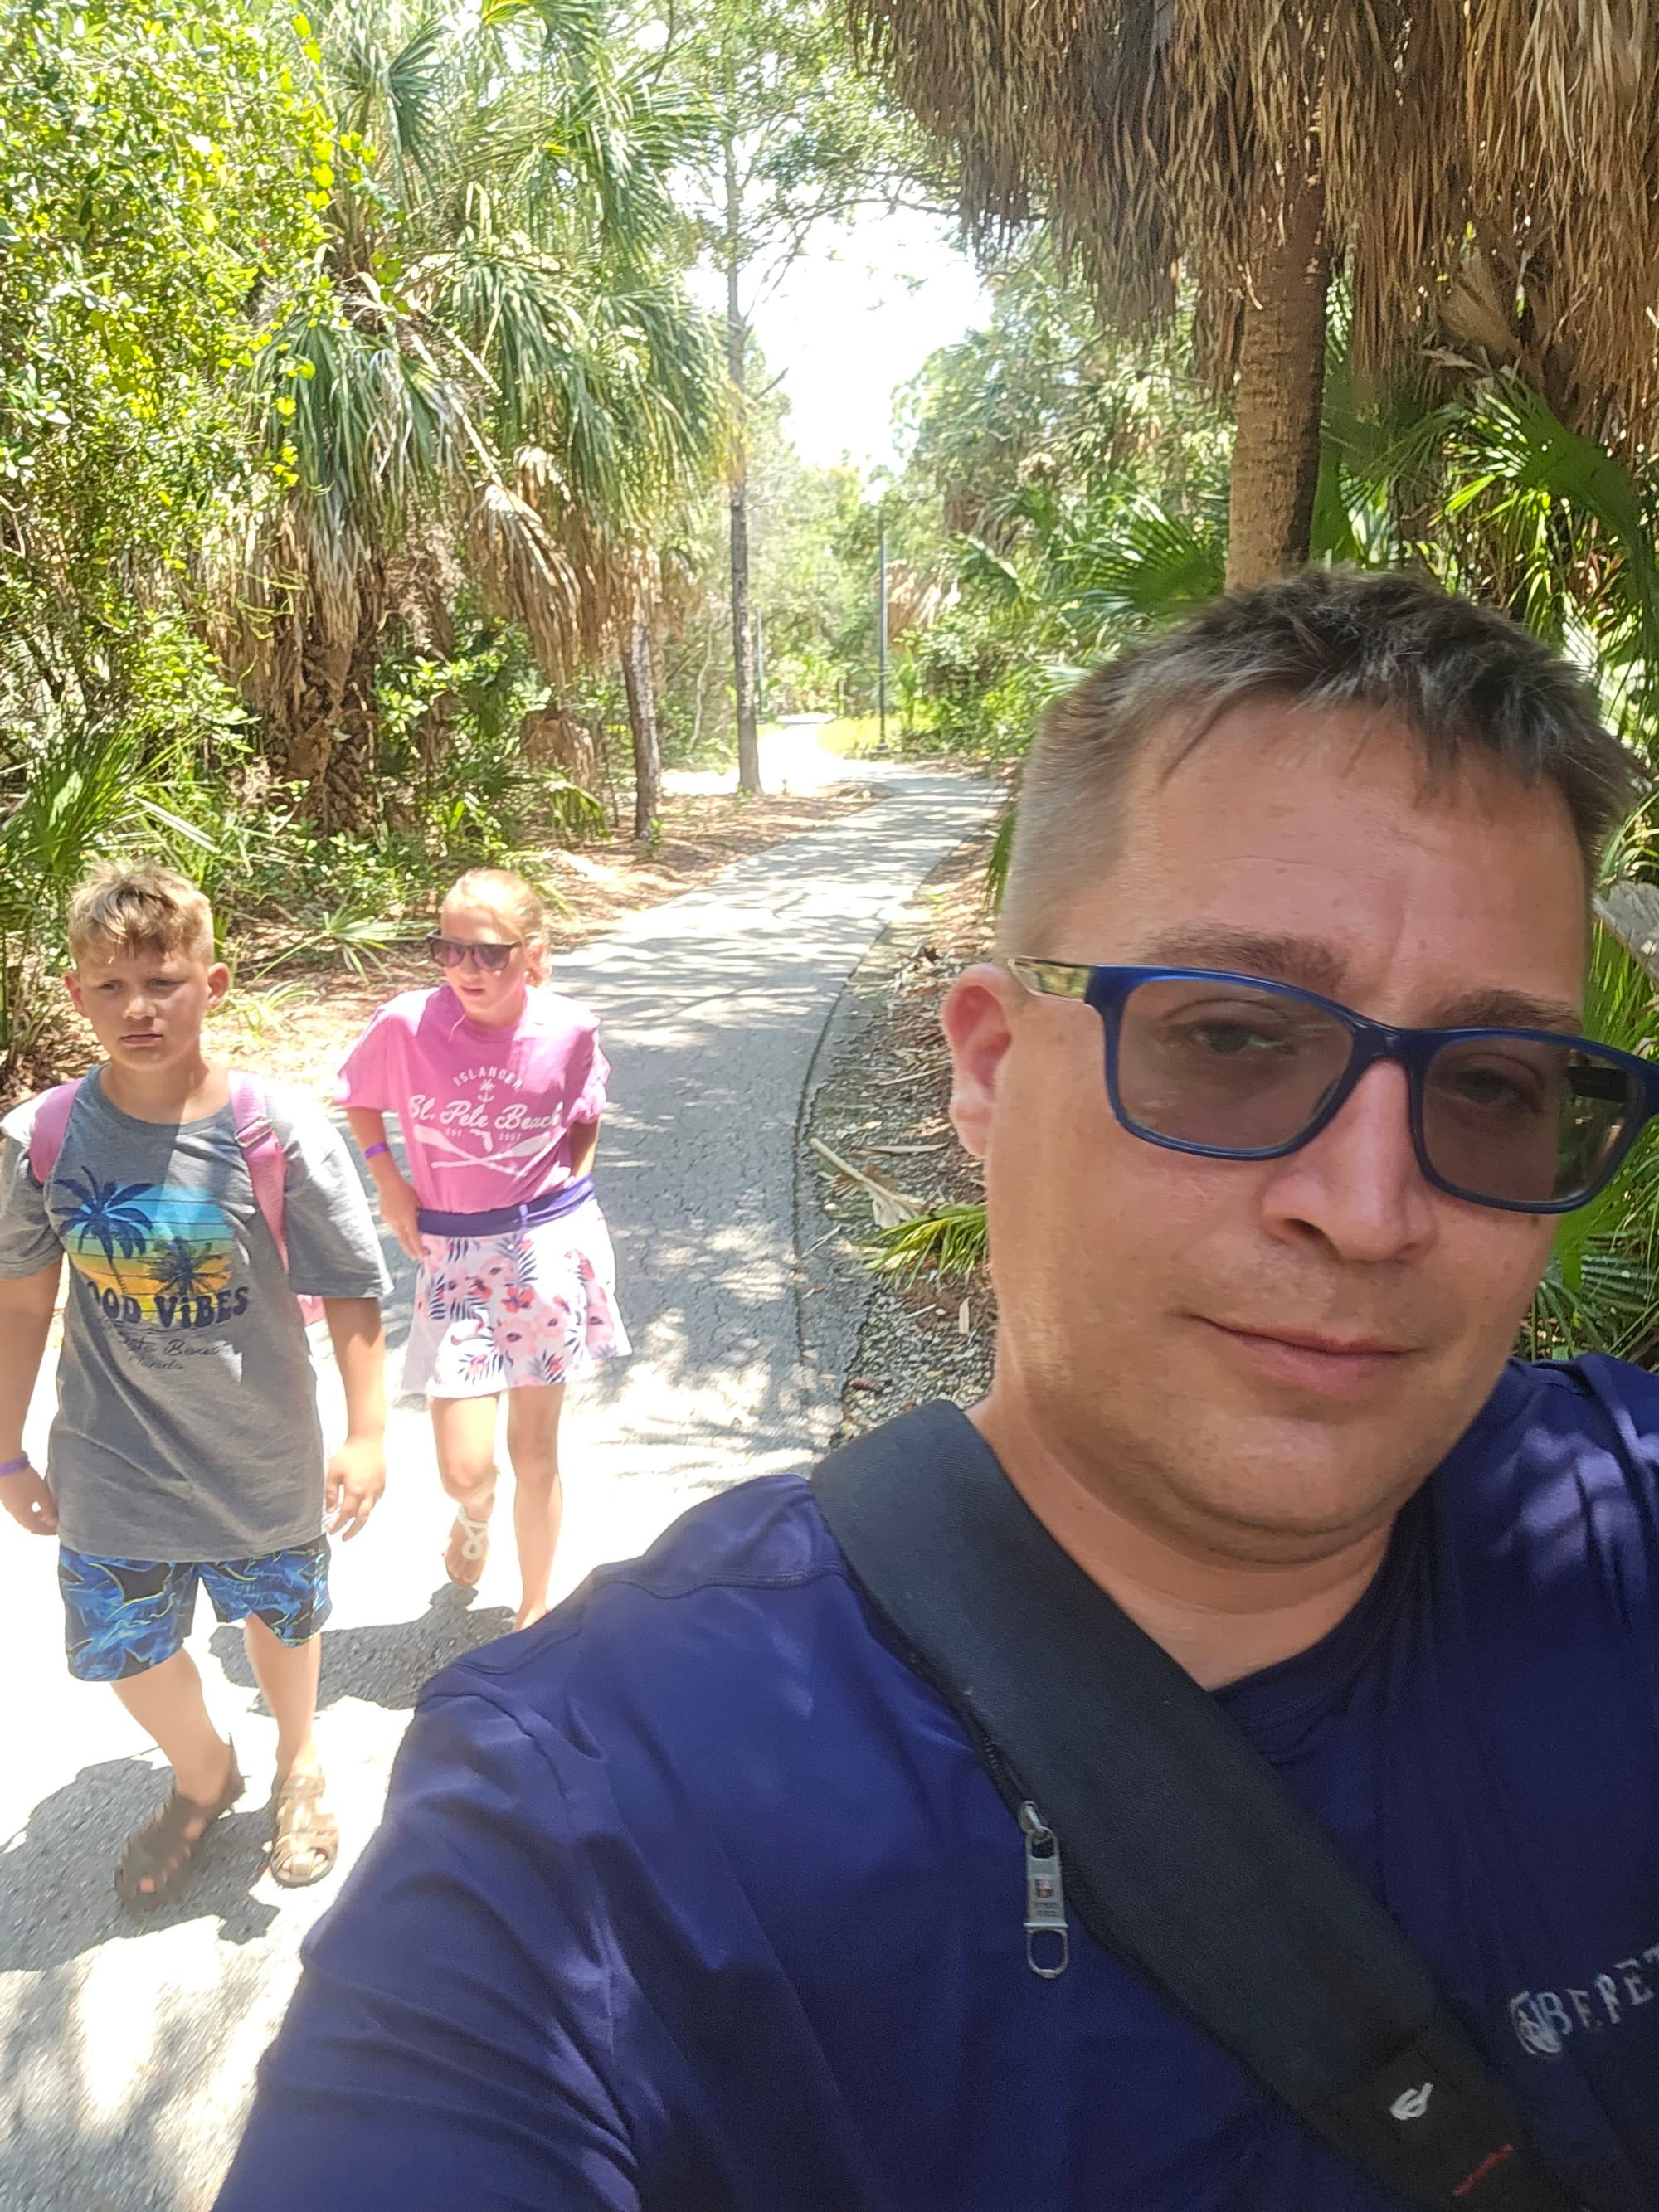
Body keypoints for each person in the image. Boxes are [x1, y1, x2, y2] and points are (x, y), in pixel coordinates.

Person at [216, 571, 1659, 2209]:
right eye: (1235, 1039)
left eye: (1491, 1086)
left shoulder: (1616, 1534)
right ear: (987, 1068)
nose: (1370, 1204)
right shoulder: (600, 1818)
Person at [0, 863, 390, 1906]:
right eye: (112, 985)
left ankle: (299, 1758)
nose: (139, 1007)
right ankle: (204, 1774)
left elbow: (351, 1291)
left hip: (260, 1449)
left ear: (210, 985)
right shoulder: (40, 1140)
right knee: (123, 1644)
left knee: (283, 1620)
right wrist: (6, 1451)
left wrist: (367, 1433)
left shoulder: (278, 1130)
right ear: (76, 994)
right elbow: (25, 1305)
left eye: (164, 980)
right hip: (109, 1459)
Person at [338, 866, 628, 1631]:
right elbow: (361, 1097)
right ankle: (476, 1514)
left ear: (533, 953)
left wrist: (579, 1185)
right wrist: (390, 1183)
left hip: (543, 1252)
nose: (467, 969)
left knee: (535, 1452)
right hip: (456, 1256)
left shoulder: (568, 1027)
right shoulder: (405, 1024)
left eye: (489, 954)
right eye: (450, 949)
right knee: (464, 1467)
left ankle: (534, 1615)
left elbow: (584, 1108)